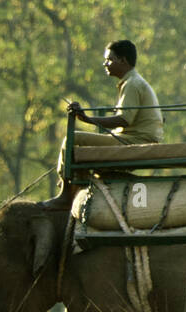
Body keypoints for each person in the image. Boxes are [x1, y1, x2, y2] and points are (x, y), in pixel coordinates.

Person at [46, 39, 163, 208]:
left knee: (72, 139)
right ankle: (79, 184)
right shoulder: (132, 82)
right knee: (83, 146)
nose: (105, 64)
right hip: (133, 137)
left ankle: (65, 194)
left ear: (123, 60)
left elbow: (124, 119)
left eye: (109, 59)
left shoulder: (132, 84)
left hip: (135, 141)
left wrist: (88, 119)